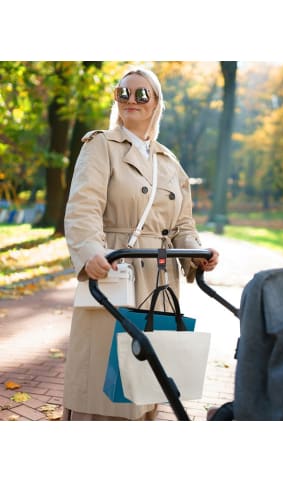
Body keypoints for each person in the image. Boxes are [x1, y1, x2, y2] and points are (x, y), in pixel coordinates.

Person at [62, 66, 219, 421]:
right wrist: (91, 251)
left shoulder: (169, 162)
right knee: (103, 386)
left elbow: (182, 224)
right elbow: (83, 207)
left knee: (146, 386)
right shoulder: (101, 145)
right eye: (123, 92)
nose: (130, 99)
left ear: (156, 103)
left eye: (141, 94)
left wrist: (198, 254)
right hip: (114, 273)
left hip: (159, 282)